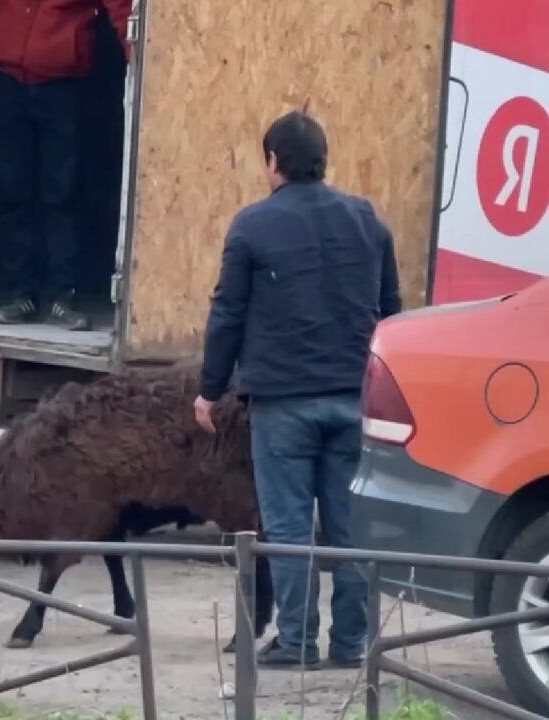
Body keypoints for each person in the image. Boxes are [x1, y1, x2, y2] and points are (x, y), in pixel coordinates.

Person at [193, 111, 402, 669]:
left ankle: (297, 642)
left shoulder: (252, 226)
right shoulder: (368, 222)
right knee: (349, 528)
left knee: (287, 528)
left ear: (272, 163)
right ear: (323, 160)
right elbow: (392, 313)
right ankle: (353, 645)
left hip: (283, 405)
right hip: (353, 400)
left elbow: (228, 313)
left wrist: (209, 390)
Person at [0, 0, 132, 331]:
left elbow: (122, 8)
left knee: (63, 191)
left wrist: (139, 58)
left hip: (63, 85)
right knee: (12, 189)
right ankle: (23, 295)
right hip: (6, 81)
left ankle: (62, 296)